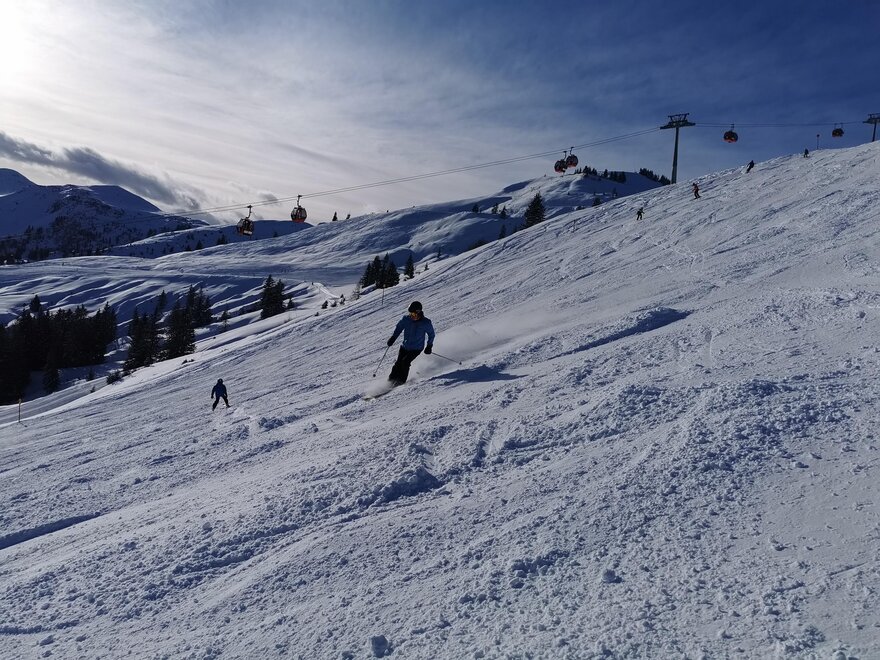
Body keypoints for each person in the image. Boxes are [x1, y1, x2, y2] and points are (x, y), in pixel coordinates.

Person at [386, 301, 435, 386]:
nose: (412, 316)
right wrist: (393, 337)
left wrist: (429, 346)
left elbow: (431, 334)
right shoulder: (406, 319)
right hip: (405, 346)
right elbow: (399, 328)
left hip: (416, 348)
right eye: (410, 314)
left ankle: (401, 382)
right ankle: (390, 381)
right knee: (398, 363)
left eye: (414, 314)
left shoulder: (425, 323)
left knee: (405, 362)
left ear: (419, 312)